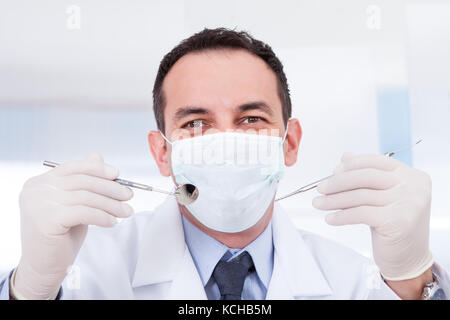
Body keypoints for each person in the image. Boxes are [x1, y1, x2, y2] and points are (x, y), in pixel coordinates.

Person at [0, 28, 448, 300]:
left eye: (251, 119)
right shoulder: (85, 277)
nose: (225, 141)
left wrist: (413, 281)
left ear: (289, 143)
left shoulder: (354, 279)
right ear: (162, 153)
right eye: (196, 123)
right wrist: (30, 289)